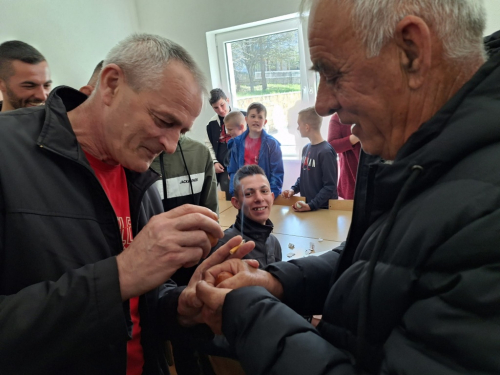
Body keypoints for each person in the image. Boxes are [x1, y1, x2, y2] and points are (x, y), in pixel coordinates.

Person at [195, 1, 500, 374]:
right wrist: (274, 282)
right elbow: (373, 263)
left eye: (333, 74)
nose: (322, 104)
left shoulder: (487, 213)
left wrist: (245, 314)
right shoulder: (406, 155)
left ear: (412, 51)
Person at [0, 33, 255, 375]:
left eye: (181, 130)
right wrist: (119, 275)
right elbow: (124, 279)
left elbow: (139, 301)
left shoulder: (138, 174)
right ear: (111, 84)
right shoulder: (6, 153)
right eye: (164, 121)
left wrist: (182, 304)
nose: (169, 145)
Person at [213, 164, 282, 268]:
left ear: (272, 198)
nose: (259, 198)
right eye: (249, 193)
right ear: (236, 203)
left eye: (264, 191)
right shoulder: (225, 246)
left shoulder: (273, 242)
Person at [282, 106, 338, 211]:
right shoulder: (305, 149)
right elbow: (304, 177)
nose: (298, 128)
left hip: (323, 210)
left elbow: (330, 186)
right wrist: (293, 190)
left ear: (307, 127)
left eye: (299, 124)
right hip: (309, 207)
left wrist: (311, 205)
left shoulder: (326, 152)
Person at [228, 102, 284, 198]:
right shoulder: (237, 143)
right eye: (253, 116)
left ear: (265, 122)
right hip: (243, 192)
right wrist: (234, 193)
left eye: (260, 117)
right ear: (246, 119)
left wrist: (271, 195)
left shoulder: (272, 144)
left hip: (263, 193)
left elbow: (277, 173)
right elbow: (233, 171)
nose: (256, 120)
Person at [205, 88, 245, 200]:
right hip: (224, 167)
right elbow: (208, 145)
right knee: (230, 195)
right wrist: (214, 162)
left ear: (227, 100)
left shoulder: (244, 116)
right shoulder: (211, 124)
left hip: (246, 163)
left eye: (222, 105)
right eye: (216, 108)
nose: (221, 110)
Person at [0, 40, 52, 112]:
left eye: (46, 85)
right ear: (1, 84)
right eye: (29, 86)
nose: (43, 96)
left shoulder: (63, 121)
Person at [327, 112, 360, 199]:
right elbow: (331, 145)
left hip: (377, 176)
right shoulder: (338, 117)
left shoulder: (374, 113)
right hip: (350, 178)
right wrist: (357, 136)